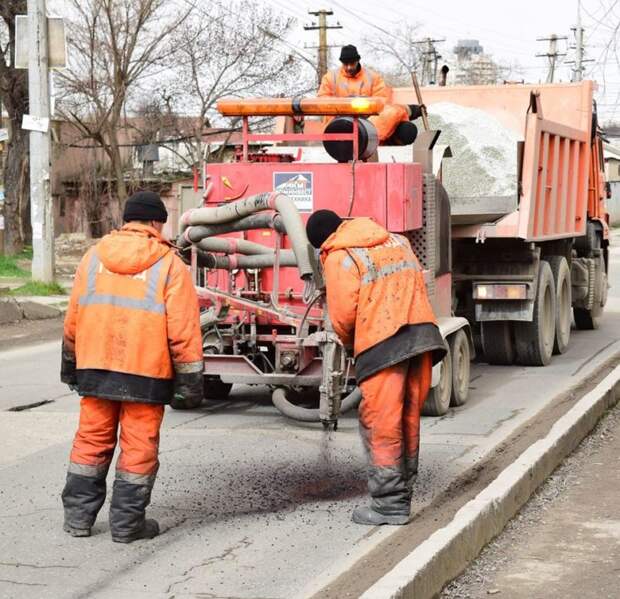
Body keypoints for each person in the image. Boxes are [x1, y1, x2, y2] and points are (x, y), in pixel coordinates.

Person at [60, 191, 204, 543]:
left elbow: (74, 318)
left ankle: (78, 519)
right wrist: (190, 384)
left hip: (94, 367)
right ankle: (126, 526)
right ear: (156, 222)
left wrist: (70, 364)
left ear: (127, 220)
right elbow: (183, 331)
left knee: (90, 441)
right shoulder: (170, 265)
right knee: (138, 447)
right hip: (146, 373)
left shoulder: (93, 258)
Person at [305, 210, 446, 525]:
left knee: (381, 423)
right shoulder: (395, 240)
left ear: (322, 242)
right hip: (422, 335)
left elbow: (343, 316)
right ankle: (403, 491)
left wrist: (352, 345)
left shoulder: (339, 256)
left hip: (384, 341)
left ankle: (388, 506)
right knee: (407, 418)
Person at [318, 44, 423, 143]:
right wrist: (345, 106)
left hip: (368, 119)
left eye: (352, 63)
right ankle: (367, 137)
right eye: (346, 64)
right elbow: (322, 100)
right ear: (341, 63)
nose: (349, 67)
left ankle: (371, 136)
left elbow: (382, 102)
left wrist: (364, 107)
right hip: (339, 122)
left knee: (404, 126)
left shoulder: (373, 77)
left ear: (358, 60)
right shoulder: (330, 78)